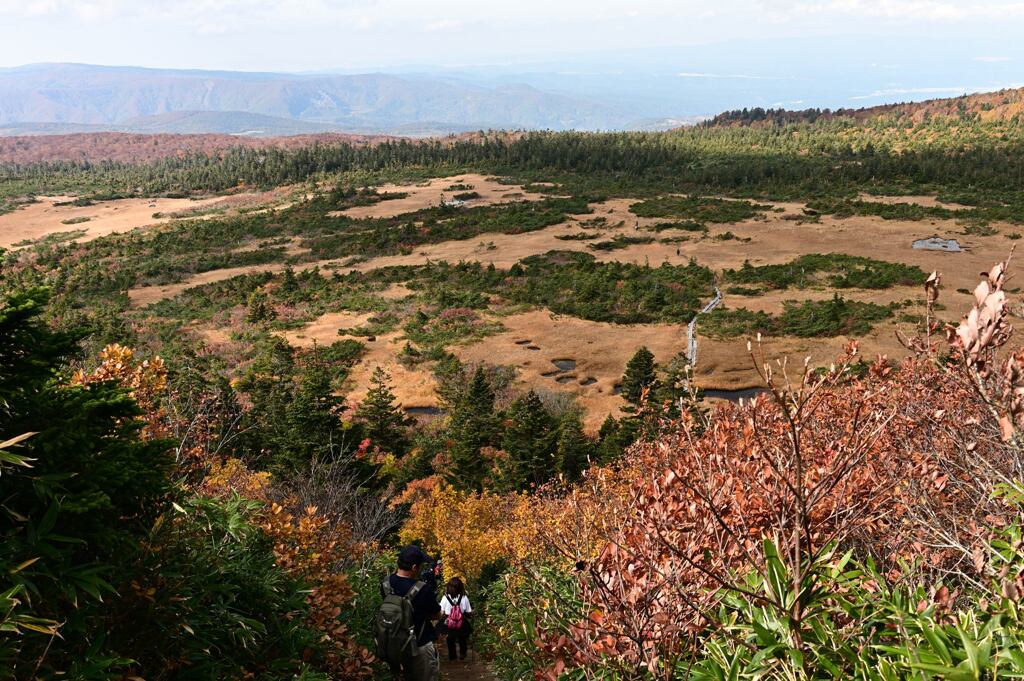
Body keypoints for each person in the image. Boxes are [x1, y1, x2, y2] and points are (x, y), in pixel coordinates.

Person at [379, 545, 441, 681]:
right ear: (414, 567)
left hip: (394, 645)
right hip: (420, 645)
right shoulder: (423, 589)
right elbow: (437, 614)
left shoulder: (385, 584)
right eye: (420, 566)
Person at [439, 577, 473, 661]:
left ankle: (452, 656)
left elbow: (441, 611)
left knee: (450, 639)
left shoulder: (445, 597)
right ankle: (462, 653)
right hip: (461, 621)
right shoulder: (464, 597)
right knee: (462, 638)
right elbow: (468, 611)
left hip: (448, 621)